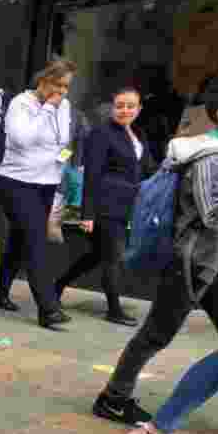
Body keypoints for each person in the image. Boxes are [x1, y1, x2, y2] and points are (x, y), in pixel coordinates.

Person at [93, 77, 218, 427]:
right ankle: (113, 398)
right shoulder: (210, 156)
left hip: (212, 264)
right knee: (156, 334)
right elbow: (211, 212)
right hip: (191, 263)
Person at [0, 59, 77, 329]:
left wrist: (62, 165)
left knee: (19, 240)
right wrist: (46, 109)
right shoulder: (21, 104)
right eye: (57, 86)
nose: (61, 93)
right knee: (36, 241)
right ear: (43, 81)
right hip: (17, 182)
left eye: (66, 88)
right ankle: (48, 309)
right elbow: (22, 139)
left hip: (47, 183)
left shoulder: (65, 106)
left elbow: (63, 141)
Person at [56, 87, 155, 326]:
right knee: (113, 256)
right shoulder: (101, 134)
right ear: (112, 108)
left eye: (130, 106)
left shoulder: (137, 134)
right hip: (105, 205)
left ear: (139, 109)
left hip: (128, 206)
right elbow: (92, 175)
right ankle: (114, 309)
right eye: (120, 105)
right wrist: (88, 214)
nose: (125, 110)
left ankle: (56, 285)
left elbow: (147, 167)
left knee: (98, 255)